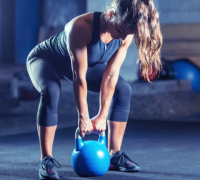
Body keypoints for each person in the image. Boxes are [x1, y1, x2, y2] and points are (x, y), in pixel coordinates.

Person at [26, 0, 162, 179]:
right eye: (121, 31)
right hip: (45, 60)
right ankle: (46, 159)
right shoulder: (81, 27)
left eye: (126, 34)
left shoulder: (125, 35)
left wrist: (102, 115)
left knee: (123, 89)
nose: (122, 38)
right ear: (112, 14)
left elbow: (111, 75)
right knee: (51, 90)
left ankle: (114, 154)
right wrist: (83, 117)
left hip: (83, 66)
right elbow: (79, 77)